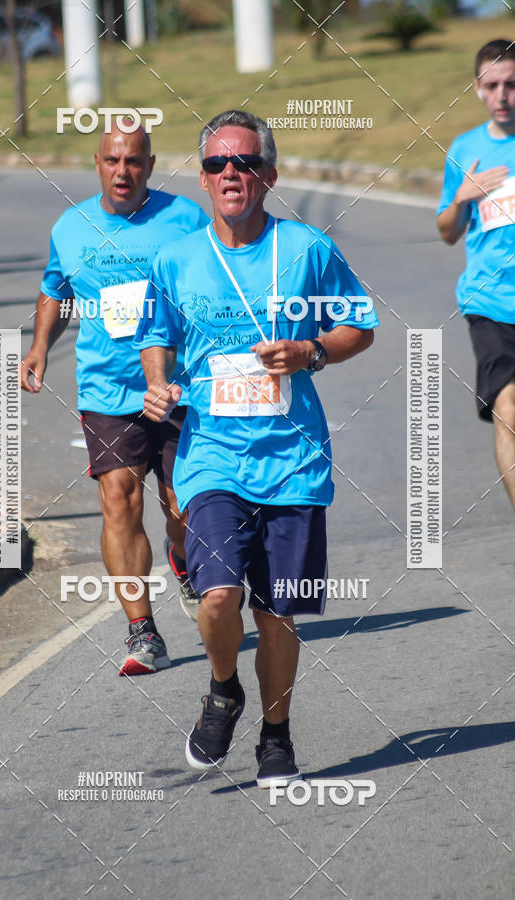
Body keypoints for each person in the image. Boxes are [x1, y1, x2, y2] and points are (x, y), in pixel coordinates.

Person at [135, 109, 377, 787]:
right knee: (217, 599)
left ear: (268, 175)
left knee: (277, 614)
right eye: (216, 164)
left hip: (294, 460)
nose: (230, 174)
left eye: (244, 163)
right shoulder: (177, 256)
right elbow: (156, 329)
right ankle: (222, 691)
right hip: (212, 454)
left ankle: (276, 733)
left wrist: (312, 351)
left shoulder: (306, 250)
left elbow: (360, 326)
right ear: (205, 178)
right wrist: (158, 383)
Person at [21, 123, 209, 676]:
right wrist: (38, 348)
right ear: (97, 163)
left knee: (185, 506)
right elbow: (55, 288)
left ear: (150, 166)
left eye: (133, 162)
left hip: (181, 388)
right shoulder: (71, 226)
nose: (122, 171)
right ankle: (142, 631)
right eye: (112, 161)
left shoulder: (187, 220)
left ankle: (183, 558)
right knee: (119, 499)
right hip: (107, 389)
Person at [438, 39, 515, 509]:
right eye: (493, 85)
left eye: (512, 84)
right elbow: (447, 232)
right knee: (509, 409)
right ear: (477, 89)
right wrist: (462, 197)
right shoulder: (465, 149)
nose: (502, 94)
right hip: (490, 302)